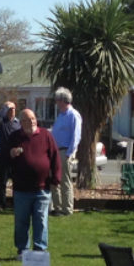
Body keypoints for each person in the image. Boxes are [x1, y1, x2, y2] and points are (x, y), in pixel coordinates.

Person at [6, 108, 59, 258]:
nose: (31, 122)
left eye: (33, 119)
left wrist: (56, 178)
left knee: (41, 220)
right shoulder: (15, 137)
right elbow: (5, 158)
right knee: (21, 221)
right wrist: (12, 153)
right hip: (22, 188)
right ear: (21, 122)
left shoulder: (45, 135)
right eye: (27, 120)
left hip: (42, 188)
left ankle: (39, 250)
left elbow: (55, 157)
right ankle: (22, 249)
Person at [50, 88, 81, 216]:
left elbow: (76, 136)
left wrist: (70, 153)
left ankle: (67, 209)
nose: (56, 103)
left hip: (64, 152)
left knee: (65, 181)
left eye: (57, 100)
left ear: (63, 100)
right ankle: (57, 208)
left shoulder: (73, 115)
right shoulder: (61, 116)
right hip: (55, 152)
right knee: (54, 180)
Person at [0, 101, 20, 209]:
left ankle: (16, 203)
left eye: (14, 109)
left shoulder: (18, 123)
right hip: (4, 157)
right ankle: (2, 203)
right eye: (10, 109)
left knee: (17, 182)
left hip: (16, 158)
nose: (12, 111)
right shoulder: (2, 121)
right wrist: (5, 106)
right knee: (3, 182)